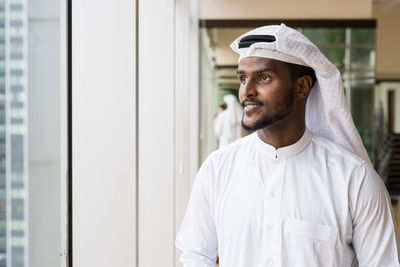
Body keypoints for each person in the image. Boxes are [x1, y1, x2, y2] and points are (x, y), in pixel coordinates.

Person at [176, 24, 400, 267]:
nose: (246, 91)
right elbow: (196, 255)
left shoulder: (354, 180)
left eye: (263, 78)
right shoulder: (217, 169)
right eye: (242, 78)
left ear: (302, 86)